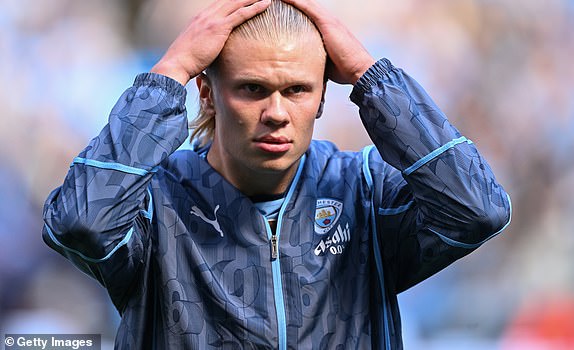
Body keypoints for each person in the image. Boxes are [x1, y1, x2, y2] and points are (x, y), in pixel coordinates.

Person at [42, 0, 512, 348]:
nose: (276, 112)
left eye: (297, 90)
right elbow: (81, 223)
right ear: (206, 93)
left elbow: (478, 210)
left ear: (324, 96)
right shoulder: (154, 201)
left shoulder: (363, 191)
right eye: (252, 89)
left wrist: (373, 78)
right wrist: (171, 71)